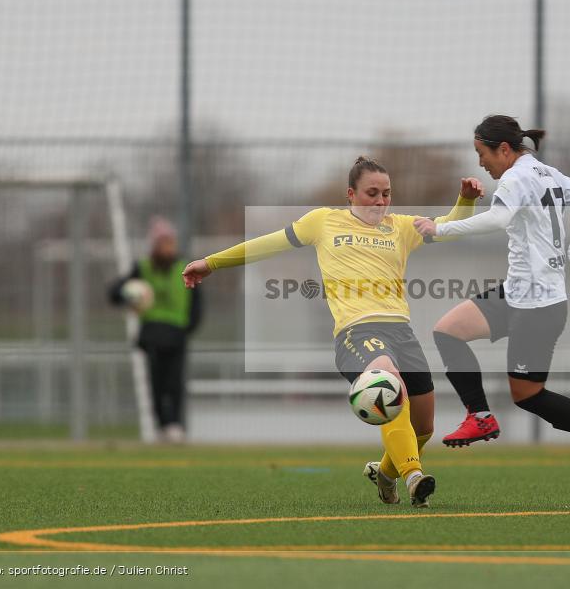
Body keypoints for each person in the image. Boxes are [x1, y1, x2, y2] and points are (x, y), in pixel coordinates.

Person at [181, 156, 483, 506]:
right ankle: (415, 477)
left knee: (424, 427)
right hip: (356, 333)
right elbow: (268, 243)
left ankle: (385, 475)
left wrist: (466, 199)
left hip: (402, 332)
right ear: (351, 194)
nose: (381, 202)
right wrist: (212, 262)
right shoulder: (323, 221)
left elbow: (448, 228)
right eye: (372, 193)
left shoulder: (400, 227)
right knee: (387, 380)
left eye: (386, 194)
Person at [413, 115, 570, 463]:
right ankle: (480, 417)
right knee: (447, 332)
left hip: (538, 306)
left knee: (528, 395)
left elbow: (498, 220)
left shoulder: (516, 178)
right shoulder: (547, 172)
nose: (479, 162)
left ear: (502, 148)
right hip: (520, 293)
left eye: (481, 153)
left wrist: (439, 230)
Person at [109, 216, 203, 443]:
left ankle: (175, 425)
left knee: (175, 381)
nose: (167, 247)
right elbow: (115, 293)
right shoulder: (142, 268)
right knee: (157, 382)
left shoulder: (184, 266)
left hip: (176, 333)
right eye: (162, 242)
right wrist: (127, 294)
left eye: (170, 242)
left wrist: (189, 327)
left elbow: (197, 301)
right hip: (152, 332)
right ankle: (163, 425)